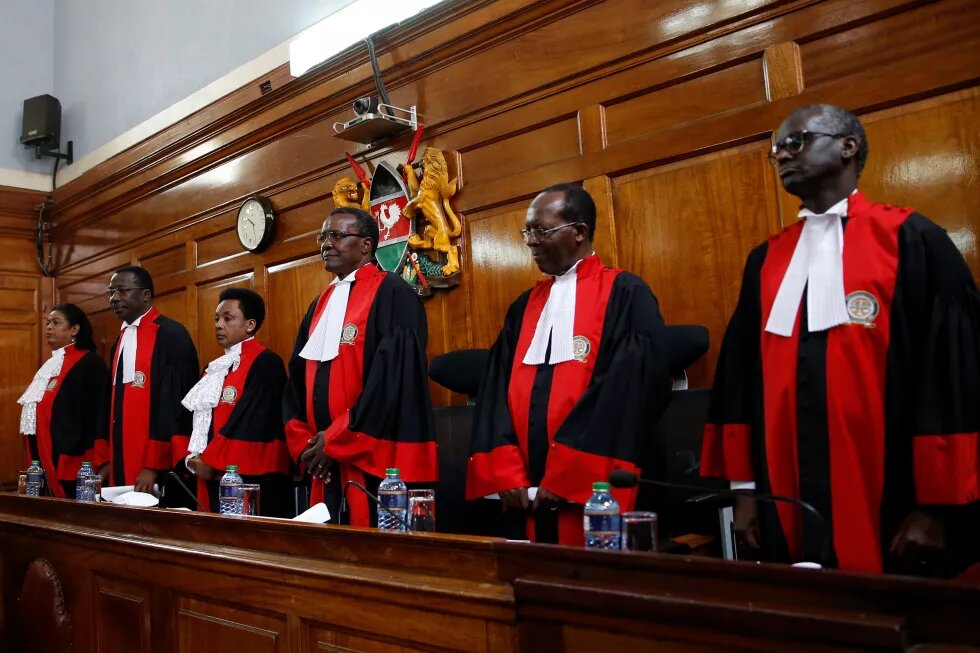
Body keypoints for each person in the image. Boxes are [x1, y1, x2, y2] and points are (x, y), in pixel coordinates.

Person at [701, 104, 980, 575]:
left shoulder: (912, 239)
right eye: (776, 150)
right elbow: (740, 382)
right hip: (784, 487)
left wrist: (937, 507)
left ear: (848, 146)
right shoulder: (766, 259)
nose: (782, 155)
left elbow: (953, 376)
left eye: (797, 141)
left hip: (892, 493)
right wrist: (745, 492)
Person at [465, 184, 671, 545]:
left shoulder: (625, 294)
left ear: (579, 232)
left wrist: (568, 475)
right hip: (525, 492)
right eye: (527, 231)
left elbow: (624, 396)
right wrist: (506, 472)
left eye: (541, 230)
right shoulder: (523, 307)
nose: (530, 241)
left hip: (596, 492)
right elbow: (495, 393)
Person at [283, 207, 438, 526]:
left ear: (366, 245)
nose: (327, 244)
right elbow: (296, 382)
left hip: (374, 460)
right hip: (323, 464)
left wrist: (336, 439)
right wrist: (308, 446)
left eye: (337, 236)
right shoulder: (319, 304)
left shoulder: (393, 293)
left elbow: (392, 381)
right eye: (323, 237)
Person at [181, 288, 293, 517]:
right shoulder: (213, 369)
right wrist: (193, 458)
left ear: (250, 325)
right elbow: (198, 422)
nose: (219, 325)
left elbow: (252, 421)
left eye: (227, 318)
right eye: (216, 319)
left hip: (249, 477)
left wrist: (210, 462)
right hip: (209, 473)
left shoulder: (266, 363)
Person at [106, 265, 199, 492]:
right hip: (120, 458)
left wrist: (153, 465)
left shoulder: (171, 335)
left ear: (146, 295)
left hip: (154, 466)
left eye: (122, 291)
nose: (114, 298)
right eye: (110, 292)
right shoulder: (119, 341)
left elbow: (175, 405)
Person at [17, 304, 110, 498]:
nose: (49, 327)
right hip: (43, 462)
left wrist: (99, 462)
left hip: (74, 462)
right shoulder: (49, 365)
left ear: (74, 329)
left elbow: (98, 415)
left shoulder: (90, 363)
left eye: (56, 322)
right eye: (48, 322)